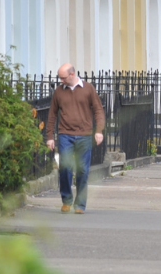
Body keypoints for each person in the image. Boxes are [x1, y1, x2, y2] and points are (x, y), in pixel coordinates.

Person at [46, 63, 105, 214]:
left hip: (85, 135)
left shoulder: (88, 89)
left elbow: (98, 110)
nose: (61, 81)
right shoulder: (59, 92)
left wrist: (98, 131)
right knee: (65, 167)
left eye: (63, 77)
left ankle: (80, 204)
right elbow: (52, 115)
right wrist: (50, 137)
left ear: (72, 74)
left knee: (83, 170)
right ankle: (66, 200)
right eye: (60, 78)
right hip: (65, 134)